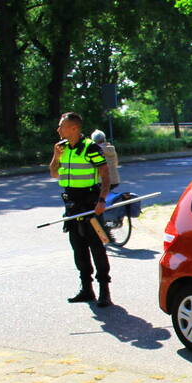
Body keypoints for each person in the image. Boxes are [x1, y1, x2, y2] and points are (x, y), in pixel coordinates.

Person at [49, 112, 113, 307]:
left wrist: (102, 201)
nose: (58, 129)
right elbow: (53, 173)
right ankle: (86, 288)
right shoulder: (62, 148)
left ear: (74, 128)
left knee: (97, 248)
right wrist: (55, 155)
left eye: (62, 126)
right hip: (71, 206)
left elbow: (105, 174)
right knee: (78, 249)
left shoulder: (90, 148)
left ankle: (104, 291)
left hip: (90, 205)